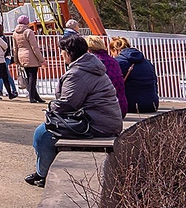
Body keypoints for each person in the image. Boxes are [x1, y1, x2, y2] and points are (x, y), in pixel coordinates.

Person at [25, 35, 123, 187]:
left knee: (43, 133)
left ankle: (44, 174)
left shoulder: (78, 73)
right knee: (48, 130)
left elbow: (67, 104)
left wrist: (51, 107)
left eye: (62, 51)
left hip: (96, 124)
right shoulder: (89, 66)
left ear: (69, 52)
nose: (61, 54)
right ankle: (42, 172)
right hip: (105, 120)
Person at [109, 36, 158, 114]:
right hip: (152, 104)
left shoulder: (118, 62)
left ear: (115, 50)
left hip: (131, 105)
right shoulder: (146, 62)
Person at [85, 35, 127, 118]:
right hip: (121, 107)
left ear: (88, 49)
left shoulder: (92, 62)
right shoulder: (113, 61)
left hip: (105, 111)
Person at [12, 15, 45, 103]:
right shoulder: (28, 32)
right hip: (31, 56)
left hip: (21, 55)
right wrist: (42, 59)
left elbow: (15, 48)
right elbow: (34, 47)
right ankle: (32, 97)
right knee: (32, 77)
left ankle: (36, 96)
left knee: (28, 76)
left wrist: (16, 60)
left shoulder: (15, 33)